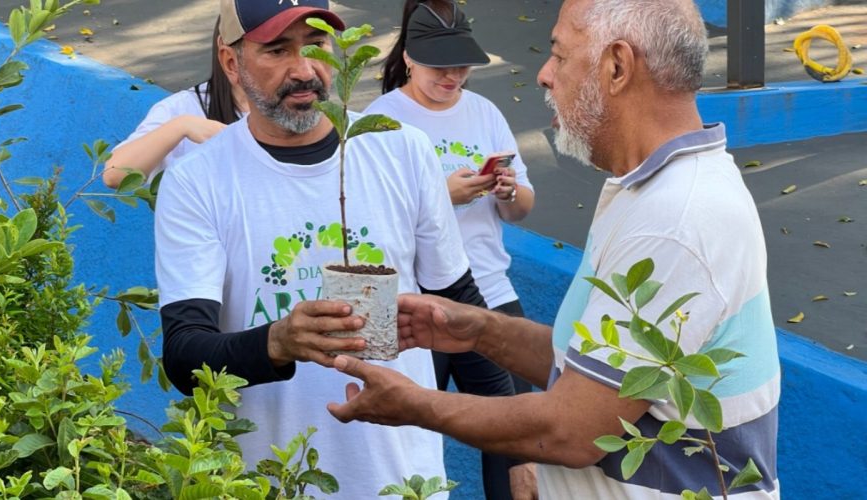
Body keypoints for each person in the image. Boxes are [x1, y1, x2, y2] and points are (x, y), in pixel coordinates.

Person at [326, 0, 781, 498]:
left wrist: (414, 405)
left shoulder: (675, 220)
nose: (543, 75)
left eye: (560, 56)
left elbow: (570, 429)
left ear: (616, 67)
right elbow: (595, 370)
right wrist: (481, 329)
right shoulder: (650, 190)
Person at [154, 0, 487, 497]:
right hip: (266, 482)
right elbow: (184, 356)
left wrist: (516, 452)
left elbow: (460, 307)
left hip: (403, 481)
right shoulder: (198, 181)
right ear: (231, 62)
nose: (305, 70)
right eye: (277, 49)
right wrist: (278, 342)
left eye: (316, 44)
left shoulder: (401, 149)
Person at [366, 1, 537, 498]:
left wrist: (507, 192)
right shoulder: (381, 121)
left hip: (489, 289)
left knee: (513, 440)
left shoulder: (484, 112)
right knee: (407, 439)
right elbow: (364, 222)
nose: (453, 75)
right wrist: (441, 196)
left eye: (461, 64)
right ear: (411, 58)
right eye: (440, 65)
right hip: (414, 303)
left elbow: (523, 208)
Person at [103, 17, 247, 188]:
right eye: (275, 50)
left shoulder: (285, 109)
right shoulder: (185, 107)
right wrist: (181, 126)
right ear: (229, 58)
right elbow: (114, 174)